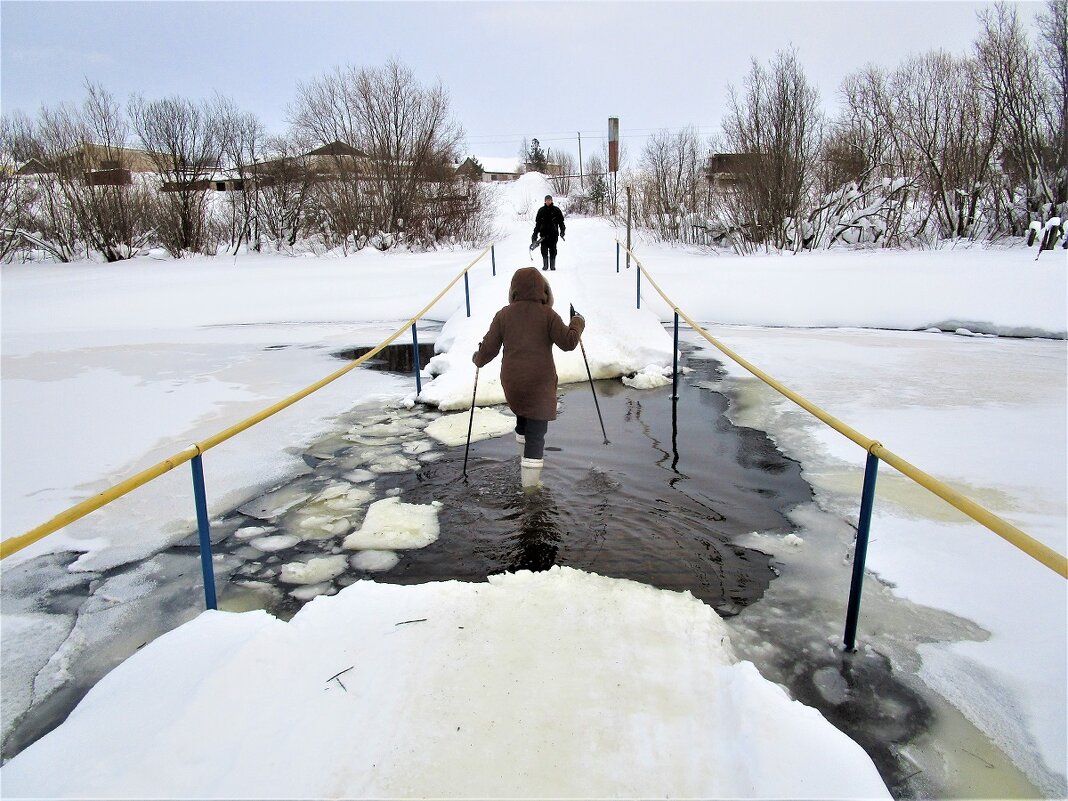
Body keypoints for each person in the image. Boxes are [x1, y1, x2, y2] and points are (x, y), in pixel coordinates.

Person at [473, 267, 585, 490]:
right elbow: (569, 343)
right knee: (536, 434)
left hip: (513, 382)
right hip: (539, 383)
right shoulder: (548, 315)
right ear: (544, 289)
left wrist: (478, 357)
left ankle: (524, 470)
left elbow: (488, 350)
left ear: (514, 289)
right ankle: (530, 491)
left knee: (522, 419)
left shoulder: (503, 314)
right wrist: (578, 322)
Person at [532, 194, 566, 271]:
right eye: (547, 200)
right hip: (543, 235)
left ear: (552, 201)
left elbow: (561, 223)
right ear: (545, 201)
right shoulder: (541, 210)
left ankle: (552, 266)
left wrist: (562, 231)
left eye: (549, 200)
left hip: (553, 235)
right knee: (543, 250)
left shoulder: (556, 210)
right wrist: (534, 235)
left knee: (553, 249)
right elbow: (537, 224)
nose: (548, 201)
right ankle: (545, 266)